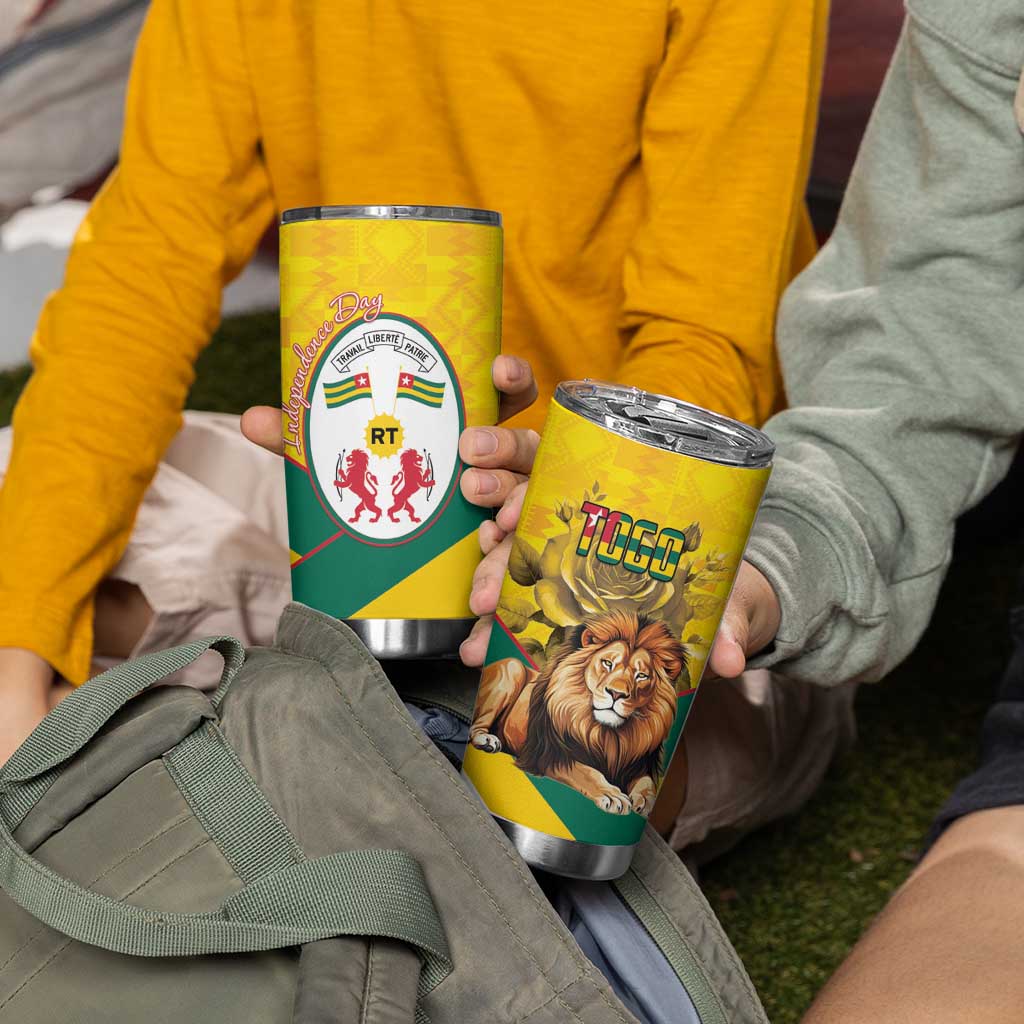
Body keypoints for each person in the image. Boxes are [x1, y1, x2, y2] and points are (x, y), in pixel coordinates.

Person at [0, 0, 828, 790]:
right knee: (23, 501)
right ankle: (273, 727)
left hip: (614, 542)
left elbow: (705, 345)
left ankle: (268, 739)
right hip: (350, 535)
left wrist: (550, 549)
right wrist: (15, 660)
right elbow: (143, 274)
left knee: (583, 759)